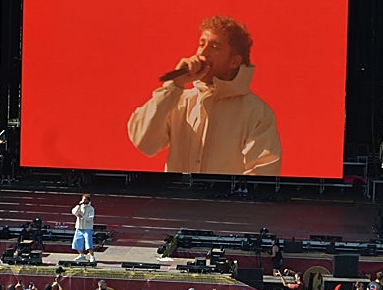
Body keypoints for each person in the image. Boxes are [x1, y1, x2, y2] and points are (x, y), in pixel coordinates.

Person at [127, 15, 281, 176]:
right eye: (201, 44)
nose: (203, 52)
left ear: (234, 62)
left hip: (223, 202)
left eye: (214, 47)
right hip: (178, 201)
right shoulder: (178, 100)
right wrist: (174, 85)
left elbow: (262, 173)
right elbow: (144, 142)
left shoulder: (256, 112)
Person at [71, 195, 96, 263]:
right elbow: (73, 211)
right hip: (79, 227)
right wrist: (78, 205)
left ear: (88, 200)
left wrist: (82, 216)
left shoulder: (91, 209)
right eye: (83, 199)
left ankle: (92, 256)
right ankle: (82, 255)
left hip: (87, 228)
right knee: (77, 242)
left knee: (88, 243)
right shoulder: (80, 207)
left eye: (85, 199)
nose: (83, 201)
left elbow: (90, 219)